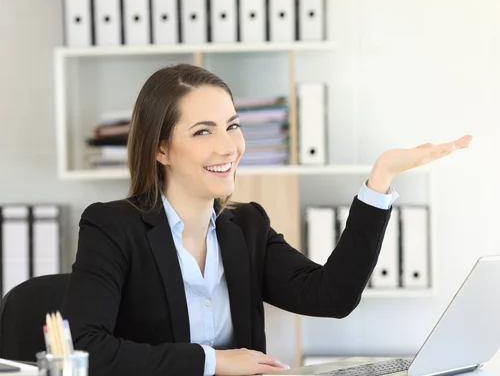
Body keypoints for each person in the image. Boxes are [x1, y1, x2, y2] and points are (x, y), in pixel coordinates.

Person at [61, 63, 471, 376]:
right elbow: (85, 349)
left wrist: (380, 180)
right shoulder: (112, 227)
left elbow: (333, 296)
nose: (228, 147)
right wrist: (213, 362)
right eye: (203, 132)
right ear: (161, 149)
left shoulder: (246, 227)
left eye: (232, 126)